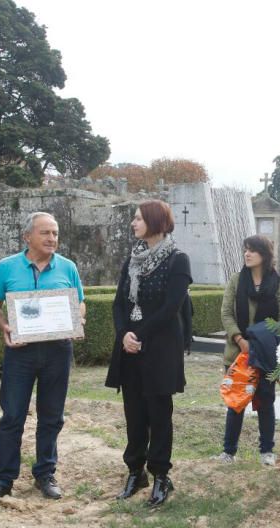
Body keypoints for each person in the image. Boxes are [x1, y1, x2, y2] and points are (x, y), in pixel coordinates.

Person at [0, 212, 85, 507]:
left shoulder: (68, 267)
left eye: (55, 233)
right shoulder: (7, 267)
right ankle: (2, 480)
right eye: (46, 233)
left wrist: (78, 322)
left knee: (52, 417)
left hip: (57, 351)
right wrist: (4, 327)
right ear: (28, 236)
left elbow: (80, 303)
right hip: (20, 353)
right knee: (12, 416)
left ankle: (45, 474)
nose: (52, 238)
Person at [105, 200, 192, 507]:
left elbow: (171, 308)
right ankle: (135, 471)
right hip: (131, 348)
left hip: (160, 349)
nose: (133, 223)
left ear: (155, 221)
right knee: (134, 413)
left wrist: (138, 334)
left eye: (138, 218)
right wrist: (123, 334)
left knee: (159, 413)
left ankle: (160, 476)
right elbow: (119, 303)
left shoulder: (178, 260)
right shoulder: (132, 260)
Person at [216, 235, 280, 466]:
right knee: (235, 403)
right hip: (237, 353)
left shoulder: (278, 283)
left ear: (264, 255)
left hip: (265, 354)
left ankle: (267, 451)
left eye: (252, 251)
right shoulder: (237, 280)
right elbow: (226, 313)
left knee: (266, 402)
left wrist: (261, 342)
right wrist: (239, 337)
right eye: (245, 249)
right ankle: (228, 452)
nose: (247, 254)